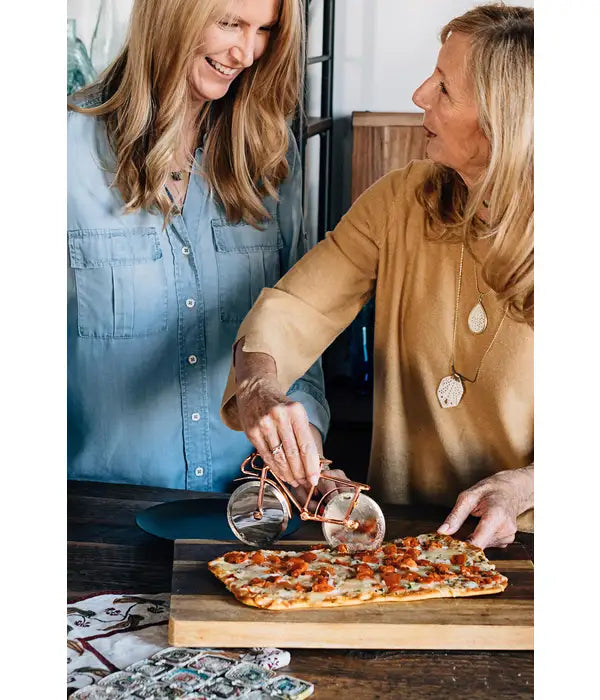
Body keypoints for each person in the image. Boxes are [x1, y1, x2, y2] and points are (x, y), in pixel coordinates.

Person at [221, 4, 534, 549]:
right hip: (396, 540)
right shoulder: (401, 199)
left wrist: (527, 486)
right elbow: (296, 307)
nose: (418, 96)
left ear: (501, 118)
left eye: (443, 88)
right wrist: (258, 388)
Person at [67, 0, 331, 492]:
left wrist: (302, 440)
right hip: (95, 515)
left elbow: (301, 326)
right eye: (230, 23)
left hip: (248, 510)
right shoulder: (63, 151)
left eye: (265, 31)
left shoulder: (272, 156)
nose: (247, 53)